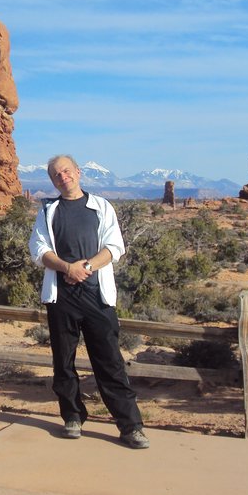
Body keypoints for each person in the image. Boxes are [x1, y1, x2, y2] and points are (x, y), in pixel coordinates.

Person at [29, 155, 149, 449]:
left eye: (67, 170)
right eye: (56, 174)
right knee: (64, 363)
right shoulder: (48, 211)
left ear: (78, 172)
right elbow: (38, 248)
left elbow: (114, 246)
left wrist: (86, 268)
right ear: (52, 180)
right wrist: (66, 268)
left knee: (110, 362)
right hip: (62, 297)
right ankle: (72, 417)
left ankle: (130, 426)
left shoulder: (101, 206)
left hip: (97, 296)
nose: (63, 176)